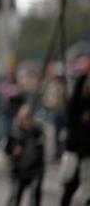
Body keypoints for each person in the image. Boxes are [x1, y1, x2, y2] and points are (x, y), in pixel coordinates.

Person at [3, 103, 45, 206]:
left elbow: (41, 151)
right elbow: (6, 149)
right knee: (15, 196)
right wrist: (13, 151)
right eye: (23, 117)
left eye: (28, 117)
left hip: (34, 169)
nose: (25, 120)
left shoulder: (37, 131)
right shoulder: (14, 131)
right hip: (18, 170)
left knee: (35, 195)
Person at [60, 71, 90, 206]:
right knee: (70, 186)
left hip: (88, 154)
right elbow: (72, 125)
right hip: (76, 153)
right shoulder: (75, 104)